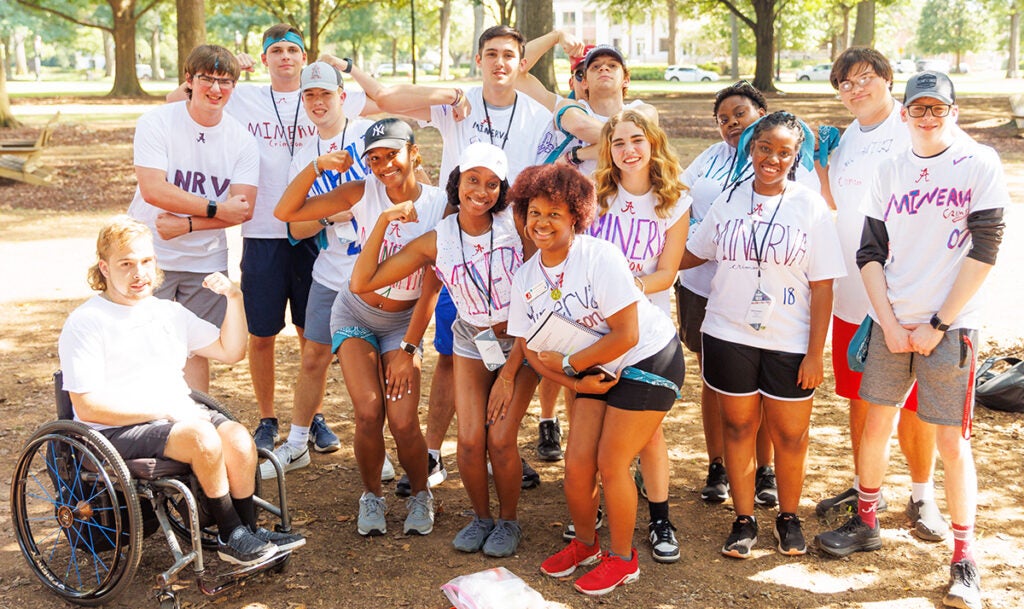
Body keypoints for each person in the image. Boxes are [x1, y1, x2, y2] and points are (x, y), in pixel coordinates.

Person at [816, 71, 1007, 609]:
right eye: (918, 109)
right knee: (875, 422)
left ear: (953, 111)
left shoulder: (978, 162)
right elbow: (869, 252)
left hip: (951, 326)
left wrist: (938, 324)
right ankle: (868, 521)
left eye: (937, 109)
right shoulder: (890, 169)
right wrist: (891, 323)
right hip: (892, 324)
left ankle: (964, 557)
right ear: (905, 114)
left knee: (952, 442)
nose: (927, 117)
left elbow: (985, 250)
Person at [339, 25, 552, 492]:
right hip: (463, 241)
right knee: (456, 352)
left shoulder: (538, 115)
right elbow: (388, 98)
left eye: (509, 56)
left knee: (515, 340)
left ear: (522, 63)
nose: (500, 63)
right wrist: (450, 91)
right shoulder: (460, 104)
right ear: (478, 60)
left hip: (513, 241)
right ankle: (433, 450)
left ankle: (503, 445)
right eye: (490, 54)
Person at [58, 216, 304, 567]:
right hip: (117, 429)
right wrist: (160, 410)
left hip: (177, 416)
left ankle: (247, 532)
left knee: (236, 436)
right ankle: (230, 534)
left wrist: (234, 298)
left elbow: (230, 351)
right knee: (201, 437)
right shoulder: (88, 321)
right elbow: (87, 407)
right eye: (125, 264)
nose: (138, 272)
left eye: (145, 261)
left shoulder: (168, 313)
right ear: (104, 268)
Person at [349, 142, 539, 557]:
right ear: (457, 182)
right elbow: (362, 282)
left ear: (503, 190)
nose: (481, 192)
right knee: (470, 442)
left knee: (501, 440)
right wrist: (382, 221)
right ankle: (481, 518)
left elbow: (538, 298)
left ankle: (508, 522)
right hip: (474, 338)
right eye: (473, 180)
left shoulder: (517, 226)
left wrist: (508, 375)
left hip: (523, 341)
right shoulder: (441, 238)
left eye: (492, 184)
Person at [508, 164, 685, 596]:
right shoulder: (527, 276)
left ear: (575, 215)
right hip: (592, 369)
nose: (542, 223)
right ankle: (586, 546)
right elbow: (531, 349)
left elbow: (628, 335)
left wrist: (571, 365)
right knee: (577, 464)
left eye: (554, 213)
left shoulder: (599, 256)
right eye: (534, 212)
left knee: (611, 462)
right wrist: (575, 384)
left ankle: (624, 560)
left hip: (649, 358)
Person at [682, 111, 846, 559]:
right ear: (750, 149)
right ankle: (743, 519)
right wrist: (636, 258)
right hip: (726, 332)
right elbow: (694, 254)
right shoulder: (730, 199)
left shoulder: (809, 206)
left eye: (784, 152)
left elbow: (824, 284)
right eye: (764, 148)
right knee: (736, 426)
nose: (772, 159)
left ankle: (788, 517)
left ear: (796, 157)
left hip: (790, 341)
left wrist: (816, 353)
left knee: (790, 436)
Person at [276, 118, 447, 537]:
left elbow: (430, 291)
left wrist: (409, 350)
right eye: (375, 157)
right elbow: (286, 212)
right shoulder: (361, 192)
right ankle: (371, 495)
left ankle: (422, 494)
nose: (384, 164)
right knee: (369, 411)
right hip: (354, 313)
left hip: (402, 323)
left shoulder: (439, 205)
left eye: (392, 154)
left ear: (413, 152)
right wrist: (317, 166)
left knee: (404, 420)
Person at [816, 47, 946, 541]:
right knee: (859, 395)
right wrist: (821, 163)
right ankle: (865, 487)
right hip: (853, 292)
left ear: (888, 79)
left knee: (911, 402)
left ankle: (921, 495)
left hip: (904, 294)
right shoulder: (848, 136)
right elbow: (837, 204)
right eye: (844, 84)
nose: (854, 90)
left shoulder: (913, 130)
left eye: (864, 78)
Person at [677, 81, 817, 508]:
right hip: (705, 287)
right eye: (722, 119)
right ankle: (718, 465)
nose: (731, 124)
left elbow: (813, 222)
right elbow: (676, 197)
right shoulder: (711, 158)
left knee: (765, 384)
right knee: (717, 380)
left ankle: (765, 469)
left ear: (762, 113)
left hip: (771, 295)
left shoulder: (790, 163)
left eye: (739, 114)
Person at [256, 61, 375, 479]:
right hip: (329, 269)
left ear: (343, 95)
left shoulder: (365, 135)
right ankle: (296, 443)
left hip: (376, 269)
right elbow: (294, 225)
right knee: (313, 357)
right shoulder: (306, 158)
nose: (318, 102)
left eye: (326, 93)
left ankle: (381, 448)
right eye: (310, 95)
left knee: (374, 365)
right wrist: (332, 216)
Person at [587, 110, 690, 563]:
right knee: (590, 417)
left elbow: (666, 274)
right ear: (608, 150)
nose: (628, 150)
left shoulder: (675, 200)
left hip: (646, 331)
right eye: (618, 143)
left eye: (636, 140)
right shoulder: (594, 197)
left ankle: (660, 518)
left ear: (653, 144)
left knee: (647, 433)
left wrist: (623, 288)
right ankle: (589, 511)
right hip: (593, 327)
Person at [127, 44, 258, 393]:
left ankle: (196, 424)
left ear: (234, 86)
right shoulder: (157, 121)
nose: (216, 89)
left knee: (195, 347)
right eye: (207, 79)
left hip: (205, 260)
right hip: (149, 255)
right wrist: (216, 208)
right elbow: (154, 189)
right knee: (139, 343)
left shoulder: (242, 140)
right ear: (189, 80)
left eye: (225, 81)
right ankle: (141, 427)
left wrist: (187, 224)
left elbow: (243, 208)